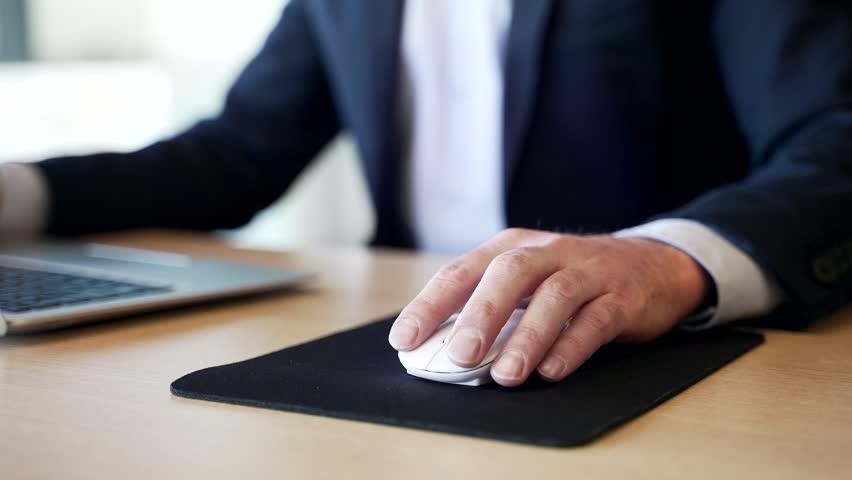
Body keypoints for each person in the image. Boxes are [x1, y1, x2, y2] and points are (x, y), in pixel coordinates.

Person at [1, 0, 850, 387]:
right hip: (390, 336)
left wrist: (666, 258)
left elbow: (833, 131)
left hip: (669, 361)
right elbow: (235, 155)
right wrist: (21, 192)